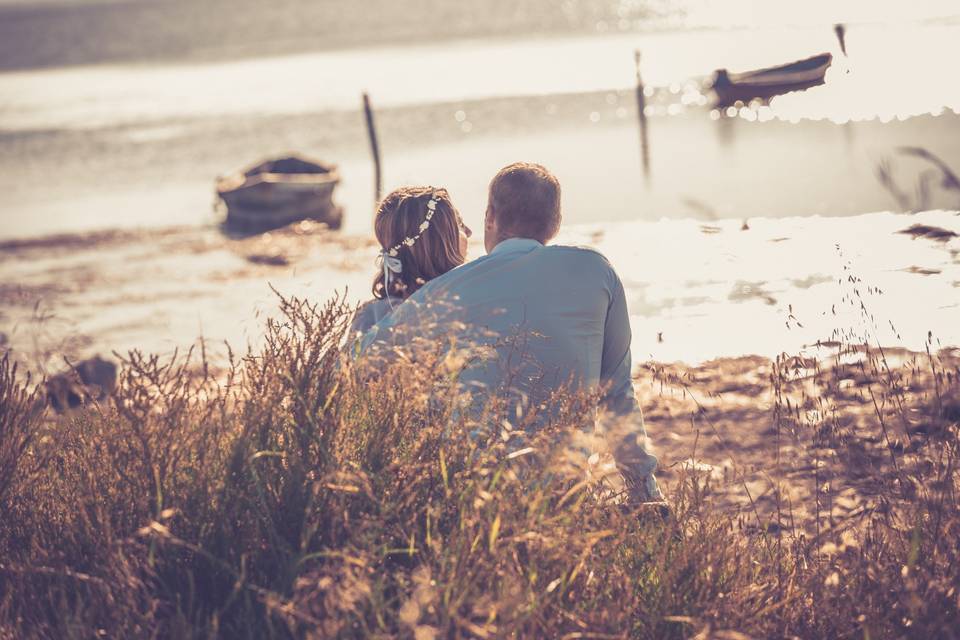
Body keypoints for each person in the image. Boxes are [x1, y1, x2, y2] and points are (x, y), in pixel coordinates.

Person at [361, 163, 662, 504]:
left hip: (470, 498)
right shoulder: (597, 271)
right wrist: (644, 491)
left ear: (490, 216)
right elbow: (616, 392)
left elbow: (357, 362)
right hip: (565, 496)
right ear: (557, 222)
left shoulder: (448, 290)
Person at [351, 186, 472, 336]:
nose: (469, 231)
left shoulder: (370, 314)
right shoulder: (463, 310)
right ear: (438, 244)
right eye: (459, 224)